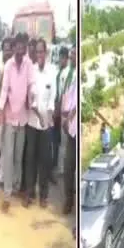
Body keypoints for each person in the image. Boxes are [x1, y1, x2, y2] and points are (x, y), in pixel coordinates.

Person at [0, 33, 35, 213]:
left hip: (23, 116)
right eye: (19, 47)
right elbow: (4, 89)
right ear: (15, 48)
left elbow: (31, 85)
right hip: (10, 115)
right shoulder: (8, 66)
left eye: (24, 47)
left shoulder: (29, 65)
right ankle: (7, 194)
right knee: (8, 154)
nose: (21, 50)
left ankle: (18, 185)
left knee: (19, 155)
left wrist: (33, 100)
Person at [24, 38, 55, 208]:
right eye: (37, 52)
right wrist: (40, 116)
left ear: (46, 52)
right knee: (31, 159)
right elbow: (31, 99)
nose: (39, 54)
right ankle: (29, 193)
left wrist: (48, 117)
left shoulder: (52, 72)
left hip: (46, 124)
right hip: (32, 122)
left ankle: (43, 195)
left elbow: (52, 99)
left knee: (44, 160)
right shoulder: (32, 72)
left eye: (41, 51)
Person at [0, 37, 14, 189]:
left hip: (11, 114)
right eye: (5, 48)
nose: (7, 51)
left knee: (7, 149)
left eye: (9, 49)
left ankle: (2, 177)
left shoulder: (14, 67)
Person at [61, 69, 77, 215]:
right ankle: (69, 200)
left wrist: (69, 118)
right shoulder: (74, 80)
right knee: (68, 168)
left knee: (73, 169)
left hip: (76, 129)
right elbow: (69, 100)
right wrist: (65, 117)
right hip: (71, 132)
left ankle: (72, 201)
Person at [52, 46, 70, 178]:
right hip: (56, 107)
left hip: (63, 109)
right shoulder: (58, 71)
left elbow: (64, 93)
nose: (60, 60)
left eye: (62, 58)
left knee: (63, 140)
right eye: (59, 57)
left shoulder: (68, 73)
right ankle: (55, 163)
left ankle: (61, 168)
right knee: (55, 139)